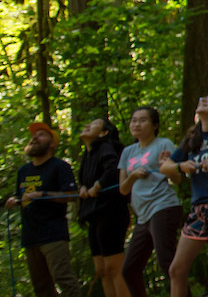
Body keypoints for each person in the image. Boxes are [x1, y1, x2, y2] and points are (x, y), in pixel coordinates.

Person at [161, 95, 208, 297]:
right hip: (198, 209)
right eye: (200, 98)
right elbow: (165, 167)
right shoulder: (193, 138)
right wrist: (180, 166)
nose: (202, 99)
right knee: (176, 270)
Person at [5, 122, 81, 297]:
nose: (35, 138)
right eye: (34, 135)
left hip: (53, 234)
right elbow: (22, 198)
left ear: (52, 144)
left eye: (41, 135)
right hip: (30, 236)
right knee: (41, 287)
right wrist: (14, 201)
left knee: (64, 280)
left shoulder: (60, 166)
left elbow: (72, 195)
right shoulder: (23, 171)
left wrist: (43, 194)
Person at [119, 106, 183, 297]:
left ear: (154, 125)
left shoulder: (164, 144)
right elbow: (123, 189)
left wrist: (167, 167)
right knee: (129, 269)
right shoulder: (127, 152)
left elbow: (179, 179)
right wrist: (133, 176)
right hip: (142, 215)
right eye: (134, 120)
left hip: (163, 206)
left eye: (143, 120)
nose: (136, 124)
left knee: (166, 262)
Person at [78, 118, 131, 297]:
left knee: (113, 266)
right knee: (101, 269)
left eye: (93, 125)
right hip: (94, 214)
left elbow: (113, 169)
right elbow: (82, 179)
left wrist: (98, 186)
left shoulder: (106, 147)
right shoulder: (88, 153)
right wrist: (83, 188)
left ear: (103, 133)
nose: (87, 125)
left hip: (111, 212)